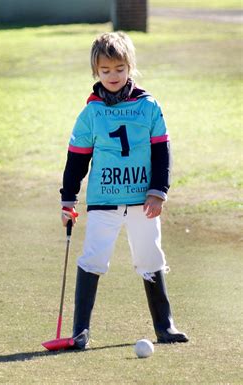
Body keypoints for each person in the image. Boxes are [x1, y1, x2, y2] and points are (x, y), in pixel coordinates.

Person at [60, 31, 189, 350]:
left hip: (143, 201)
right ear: (95, 72)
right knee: (93, 258)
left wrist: (159, 191)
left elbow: (162, 152)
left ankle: (165, 325)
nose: (113, 76)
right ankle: (81, 331)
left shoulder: (149, 107)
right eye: (105, 71)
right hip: (104, 200)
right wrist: (68, 198)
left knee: (149, 256)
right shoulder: (91, 112)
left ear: (130, 67)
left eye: (119, 69)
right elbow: (77, 158)